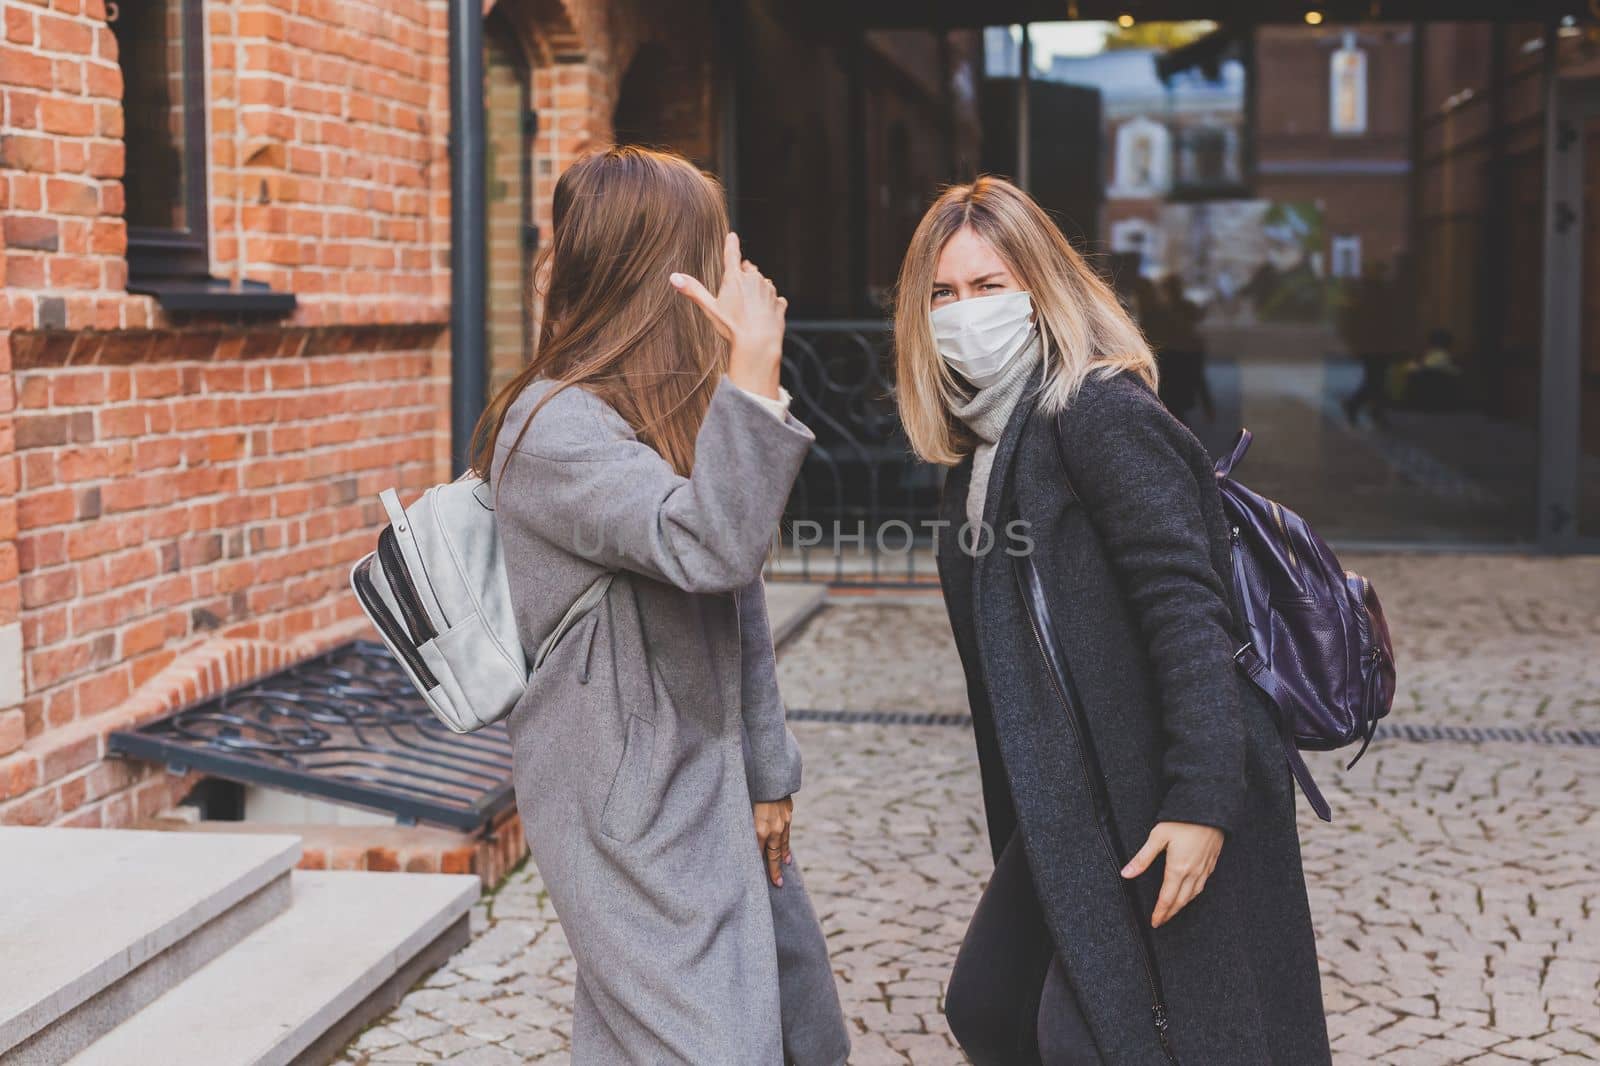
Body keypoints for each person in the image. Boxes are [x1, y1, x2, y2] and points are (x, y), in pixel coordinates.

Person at [891, 176, 1330, 1065]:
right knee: (990, 1006)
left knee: (1117, 1035)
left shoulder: (1096, 414)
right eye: (942, 294)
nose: (963, 312)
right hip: (1069, 802)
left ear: (1041, 289)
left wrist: (1204, 801)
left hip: (1146, 793)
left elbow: (1187, 610)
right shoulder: (985, 446)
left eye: (990, 286)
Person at [471, 147, 849, 1066]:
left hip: (709, 781)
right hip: (628, 805)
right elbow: (710, 543)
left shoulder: (661, 412)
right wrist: (752, 378)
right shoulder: (551, 425)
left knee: (793, 1033)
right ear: (659, 276)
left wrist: (768, 772)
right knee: (704, 1042)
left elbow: (736, 595)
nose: (739, 273)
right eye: (716, 254)